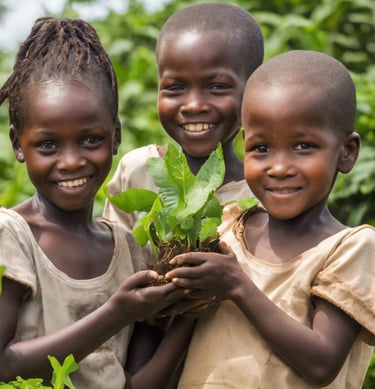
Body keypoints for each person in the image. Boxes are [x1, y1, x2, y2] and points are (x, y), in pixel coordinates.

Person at [0, 17, 195, 389]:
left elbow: (137, 384)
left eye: (91, 140)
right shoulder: (11, 238)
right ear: (16, 145)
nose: (72, 161)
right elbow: (3, 367)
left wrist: (192, 310)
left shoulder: (130, 250)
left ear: (116, 136)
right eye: (48, 145)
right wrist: (116, 312)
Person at [164, 50, 375, 388]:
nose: (278, 168)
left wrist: (237, 286)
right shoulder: (228, 229)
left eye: (303, 146)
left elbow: (321, 363)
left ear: (347, 152)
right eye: (261, 149)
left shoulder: (349, 248)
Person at [103, 2, 264, 230]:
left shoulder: (264, 193)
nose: (194, 105)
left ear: (254, 90)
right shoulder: (139, 172)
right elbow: (116, 254)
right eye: (175, 87)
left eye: (217, 86)